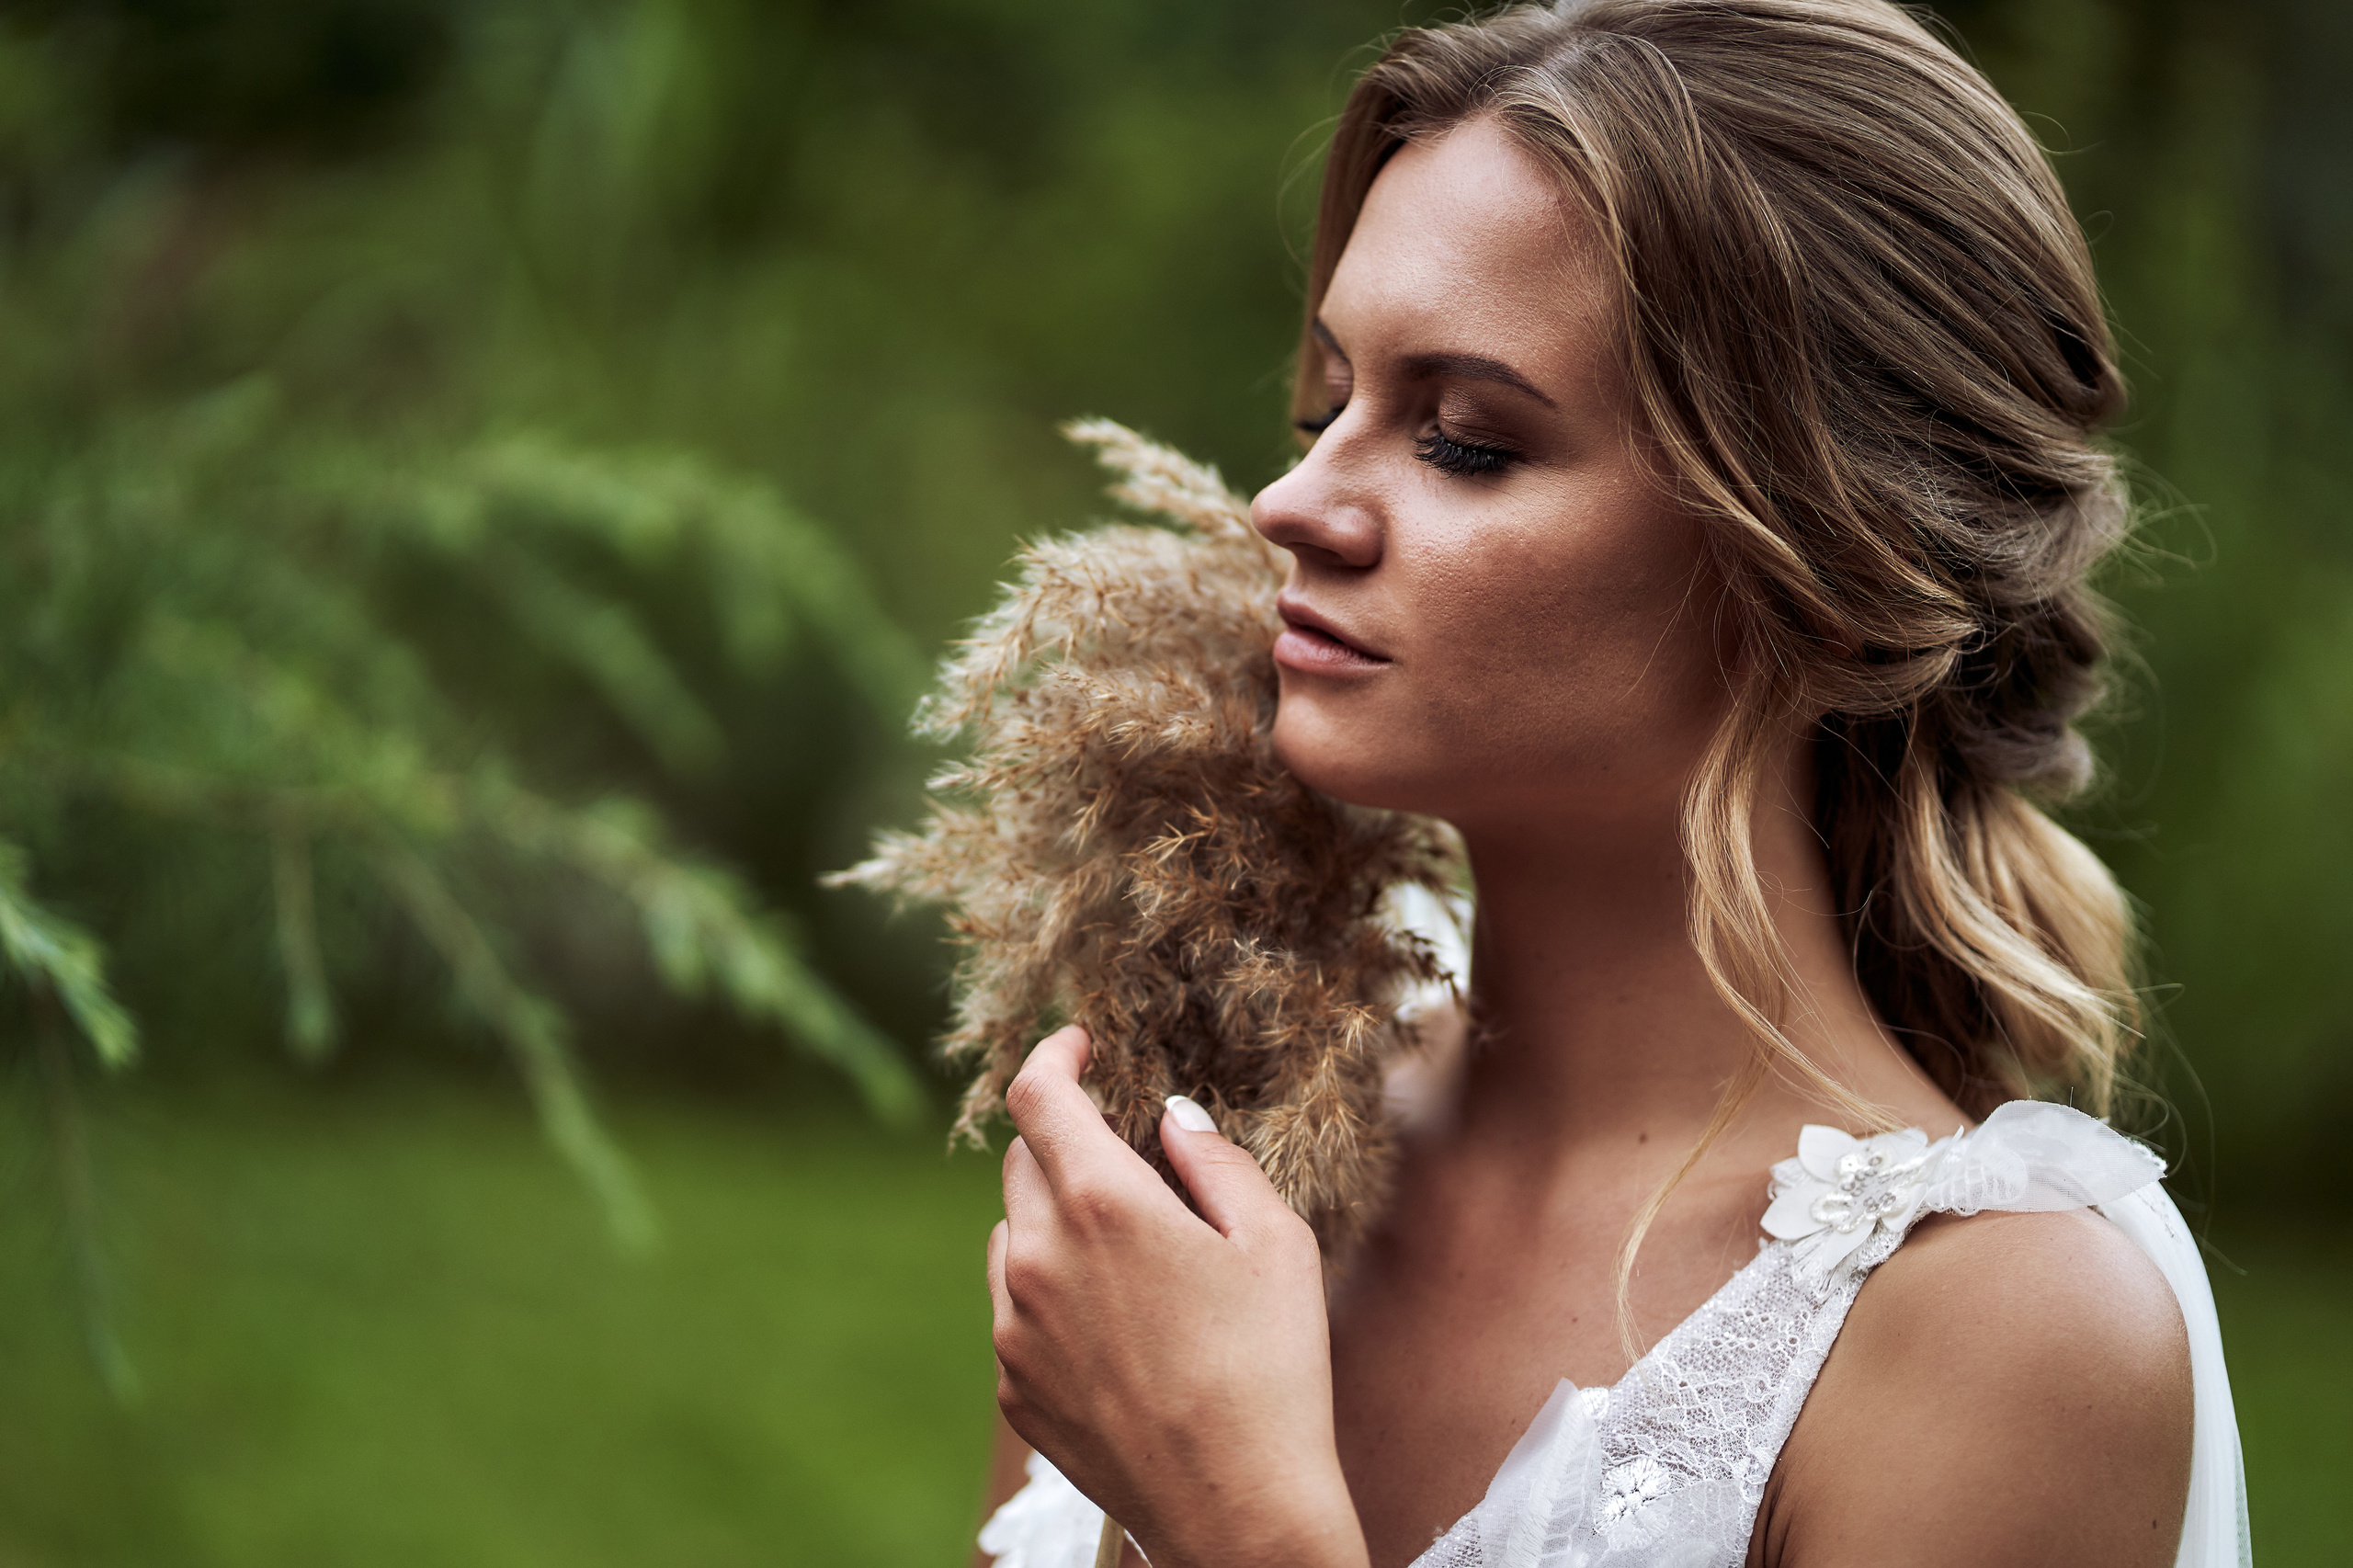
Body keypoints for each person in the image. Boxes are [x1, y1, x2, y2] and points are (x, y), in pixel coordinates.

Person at [972, 3, 2249, 1565]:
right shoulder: (1220, 1116)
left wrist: (1238, 1518)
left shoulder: (2004, 1327)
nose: (1291, 501)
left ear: (1827, 563)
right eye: (1329, 405)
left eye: (1462, 441)